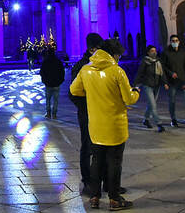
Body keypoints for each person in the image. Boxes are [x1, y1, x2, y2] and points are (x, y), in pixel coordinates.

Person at [70, 39, 140, 211]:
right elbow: (128, 99)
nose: (119, 58)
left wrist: (92, 94)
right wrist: (136, 92)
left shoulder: (86, 70)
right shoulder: (117, 71)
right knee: (114, 162)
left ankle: (94, 197)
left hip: (95, 124)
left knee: (96, 161)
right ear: (113, 54)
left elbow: (74, 90)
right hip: (114, 125)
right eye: (118, 55)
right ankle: (114, 199)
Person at [69, 32, 102, 196]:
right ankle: (87, 181)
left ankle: (107, 183)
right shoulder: (81, 67)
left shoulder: (103, 66)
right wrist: (86, 107)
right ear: (92, 49)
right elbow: (73, 93)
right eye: (99, 48)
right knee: (87, 147)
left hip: (103, 113)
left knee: (104, 148)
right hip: (87, 114)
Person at [160, 35, 185, 128]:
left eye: (176, 40)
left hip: (182, 80)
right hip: (171, 82)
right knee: (172, 101)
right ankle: (173, 119)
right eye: (173, 41)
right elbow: (162, 67)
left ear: (179, 41)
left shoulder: (183, 53)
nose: (175, 42)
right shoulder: (166, 53)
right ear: (170, 42)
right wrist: (169, 76)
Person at [133, 45, 167, 132]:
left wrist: (165, 83)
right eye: (152, 51)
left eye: (155, 50)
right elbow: (140, 73)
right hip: (147, 85)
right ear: (148, 52)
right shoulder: (145, 62)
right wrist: (135, 84)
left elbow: (162, 73)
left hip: (157, 85)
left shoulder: (158, 62)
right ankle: (159, 123)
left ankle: (146, 120)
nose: (154, 52)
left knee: (151, 105)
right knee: (153, 105)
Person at [40, 47, 65, 119]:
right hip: (57, 84)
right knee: (56, 100)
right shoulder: (58, 62)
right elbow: (62, 72)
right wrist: (61, 81)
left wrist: (44, 81)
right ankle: (54, 114)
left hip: (48, 84)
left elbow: (42, 72)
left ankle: (48, 113)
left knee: (48, 99)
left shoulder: (45, 62)